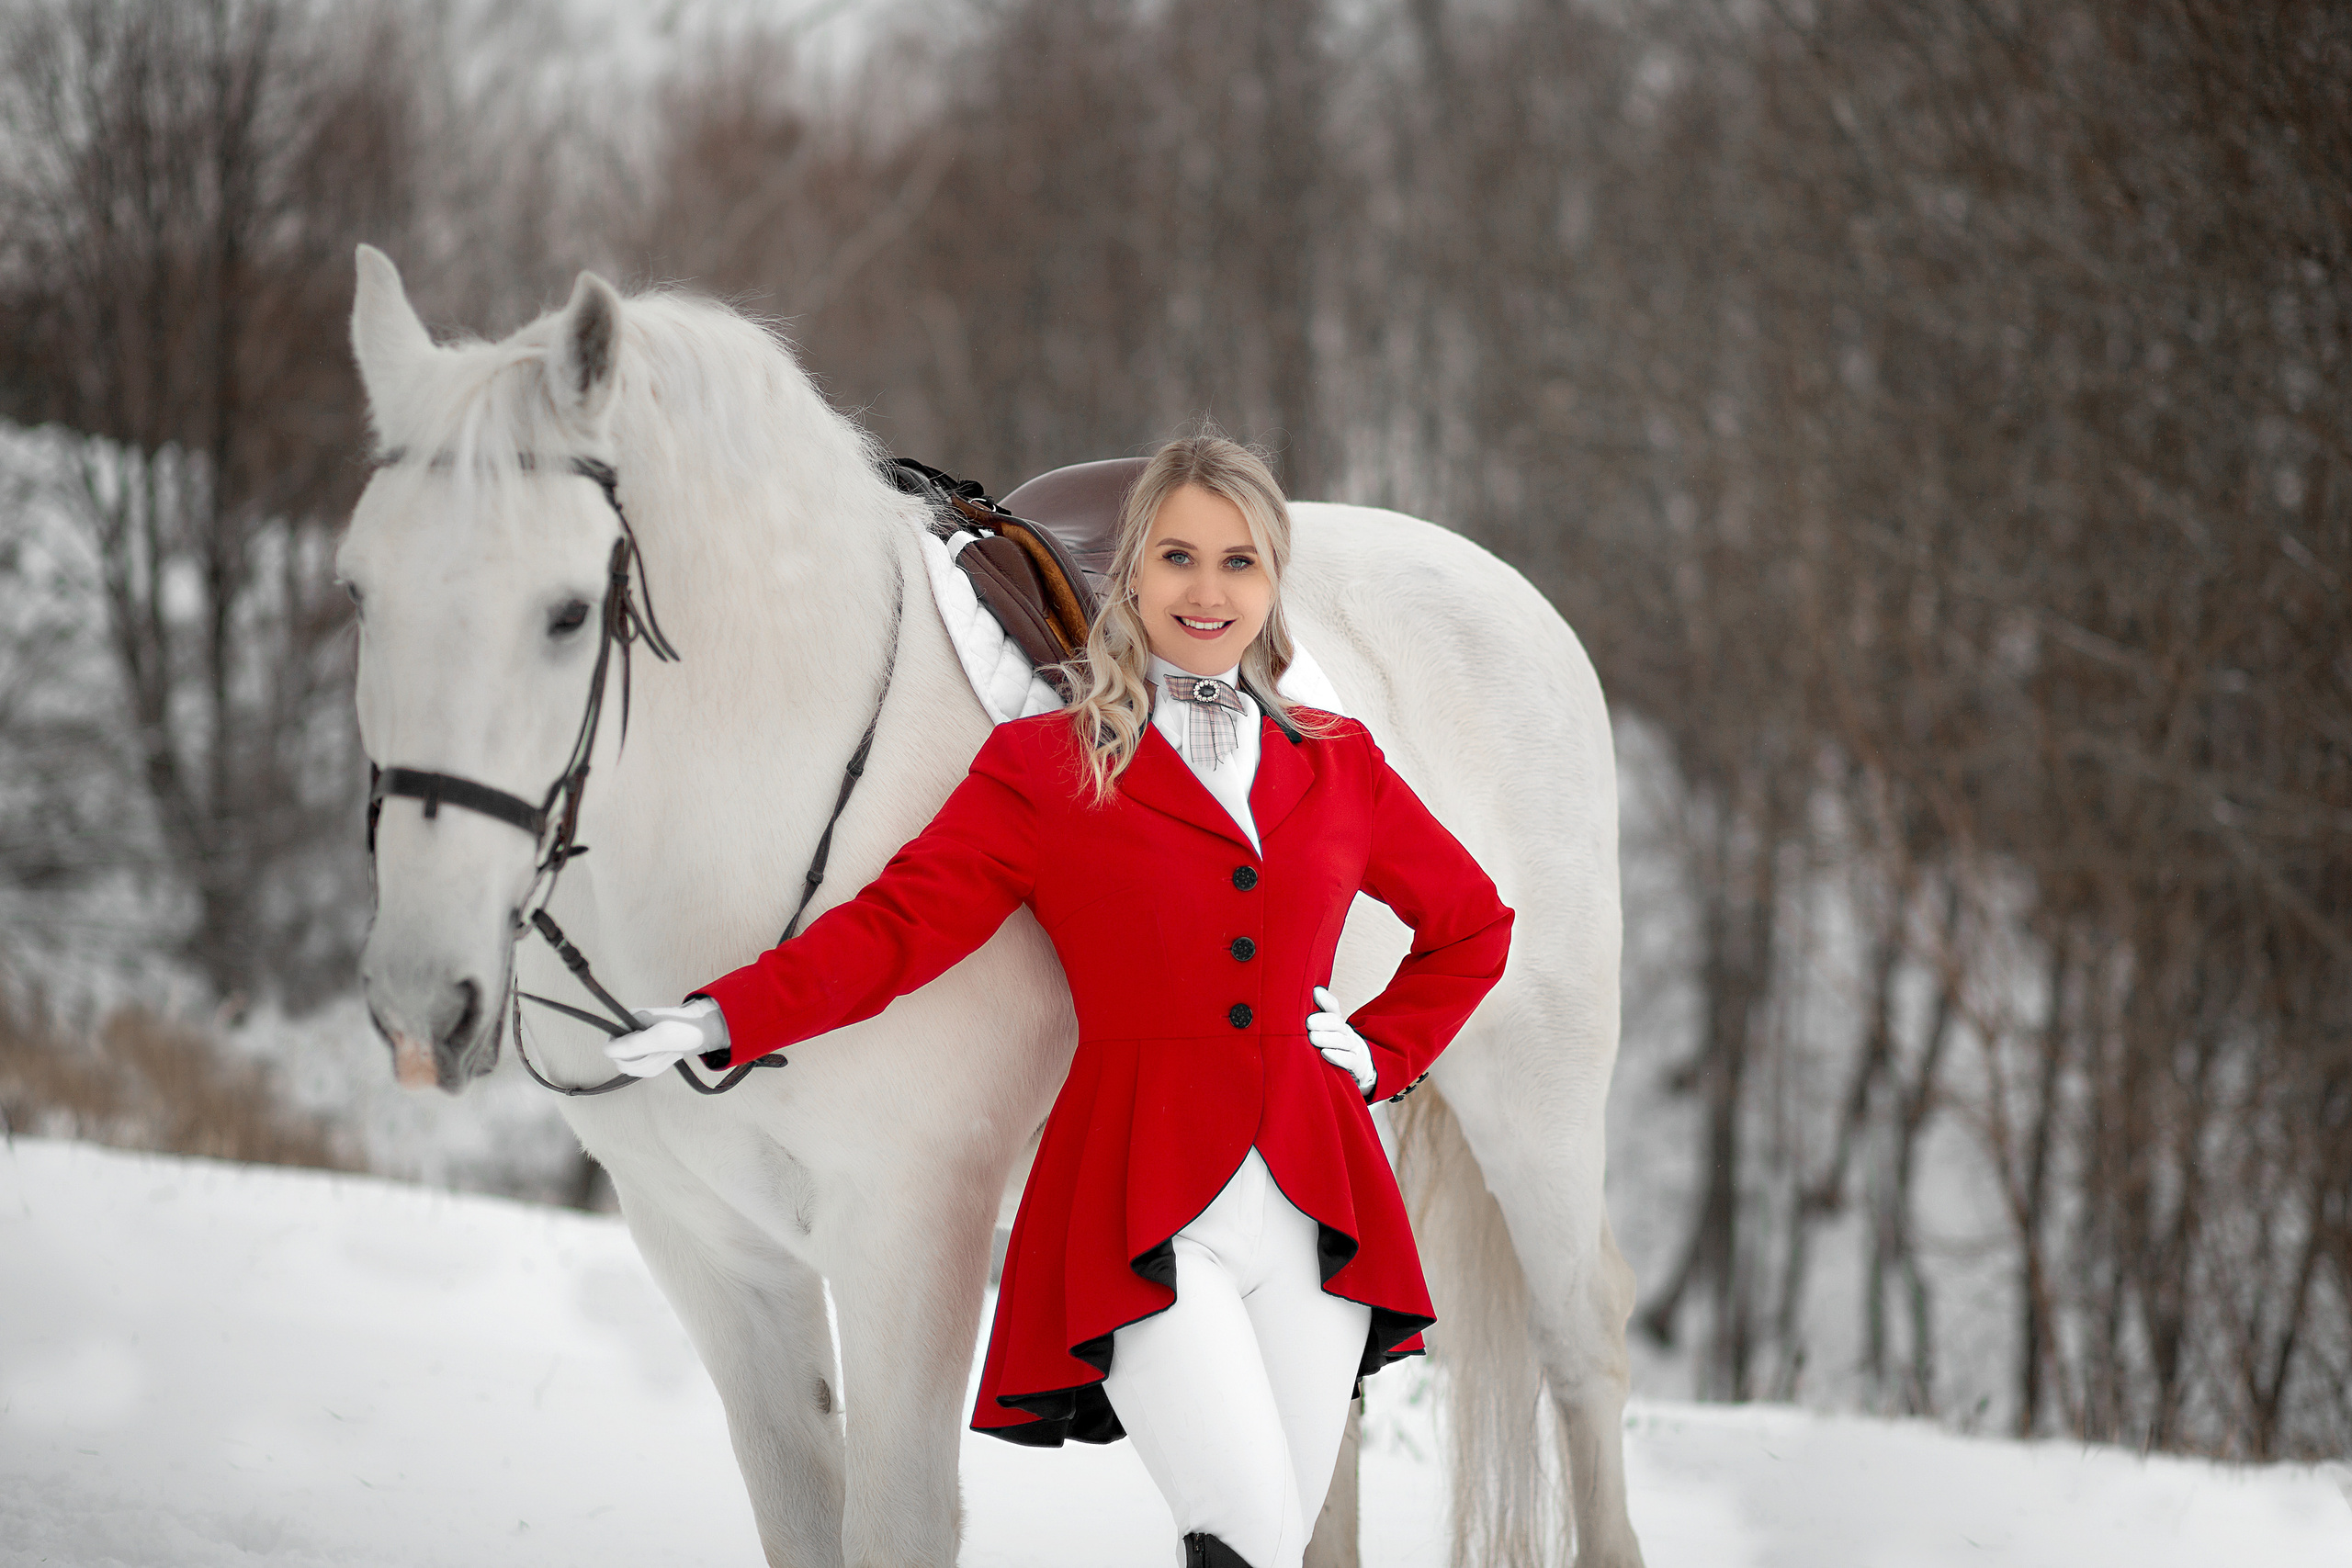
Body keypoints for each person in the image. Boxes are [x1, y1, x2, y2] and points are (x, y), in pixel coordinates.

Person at [604, 434, 1512, 1568]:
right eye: (1177, 557)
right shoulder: (1047, 766)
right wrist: (729, 1017)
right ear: (1127, 575)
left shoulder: (1340, 763)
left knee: (1276, 1544)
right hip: (1139, 1203)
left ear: (1273, 583)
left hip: (1317, 1204)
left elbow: (1474, 925)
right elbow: (900, 926)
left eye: (1240, 562)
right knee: (1234, 1531)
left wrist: (1381, 1052)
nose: (1208, 589)